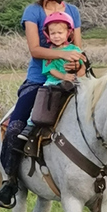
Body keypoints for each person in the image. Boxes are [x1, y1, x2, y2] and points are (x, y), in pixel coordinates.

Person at [0, 0, 86, 209]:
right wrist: (67, 55)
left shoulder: (73, 12)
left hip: (72, 76)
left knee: (105, 113)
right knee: (15, 125)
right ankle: (9, 181)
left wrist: (77, 64)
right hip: (39, 80)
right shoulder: (32, 12)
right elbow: (35, 50)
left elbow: (78, 48)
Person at [17, 11, 82, 141]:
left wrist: (77, 70)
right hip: (54, 81)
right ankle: (30, 125)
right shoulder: (49, 52)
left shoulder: (75, 49)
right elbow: (50, 70)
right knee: (43, 96)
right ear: (48, 34)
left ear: (68, 33)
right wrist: (63, 77)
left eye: (60, 33)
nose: (56, 36)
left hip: (73, 81)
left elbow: (82, 67)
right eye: (53, 33)